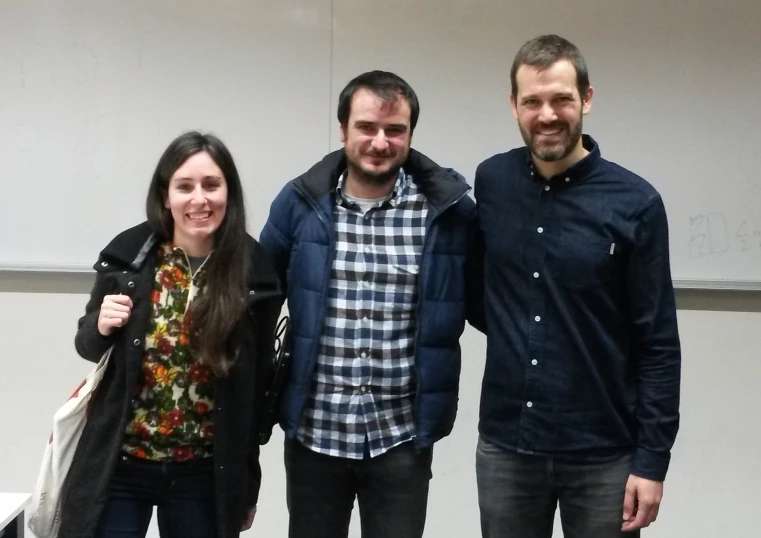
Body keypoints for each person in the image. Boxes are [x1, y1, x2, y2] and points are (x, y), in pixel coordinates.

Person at [473, 35, 682, 537]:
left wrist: (651, 462)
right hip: (507, 446)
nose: (548, 114)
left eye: (562, 99)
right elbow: (477, 291)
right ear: (514, 106)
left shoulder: (636, 203)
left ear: (586, 99)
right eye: (533, 102)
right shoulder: (492, 181)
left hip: (604, 453)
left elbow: (658, 345)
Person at [259, 70, 479, 538]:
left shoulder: (447, 213)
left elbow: (490, 301)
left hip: (401, 438)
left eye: (394, 130)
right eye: (366, 128)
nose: (380, 142)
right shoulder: (299, 204)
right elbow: (253, 297)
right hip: (315, 434)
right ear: (343, 130)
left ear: (410, 134)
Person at [57, 131, 282, 538]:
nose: (200, 200)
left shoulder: (254, 274)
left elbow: (256, 393)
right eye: (185, 187)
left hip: (202, 472)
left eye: (212, 185)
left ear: (228, 193)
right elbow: (87, 345)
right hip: (121, 464)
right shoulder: (129, 260)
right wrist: (101, 325)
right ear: (165, 196)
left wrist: (247, 484)